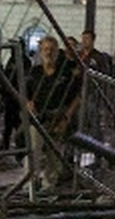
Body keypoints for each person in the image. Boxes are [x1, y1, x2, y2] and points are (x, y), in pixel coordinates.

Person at [25, 35, 80, 188]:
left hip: (57, 117)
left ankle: (50, 184)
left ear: (57, 52)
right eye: (45, 49)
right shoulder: (34, 72)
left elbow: (76, 96)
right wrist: (28, 103)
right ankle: (29, 183)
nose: (48, 53)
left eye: (51, 50)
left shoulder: (65, 73)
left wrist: (67, 117)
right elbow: (25, 93)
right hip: (38, 119)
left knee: (54, 154)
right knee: (33, 149)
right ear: (40, 52)